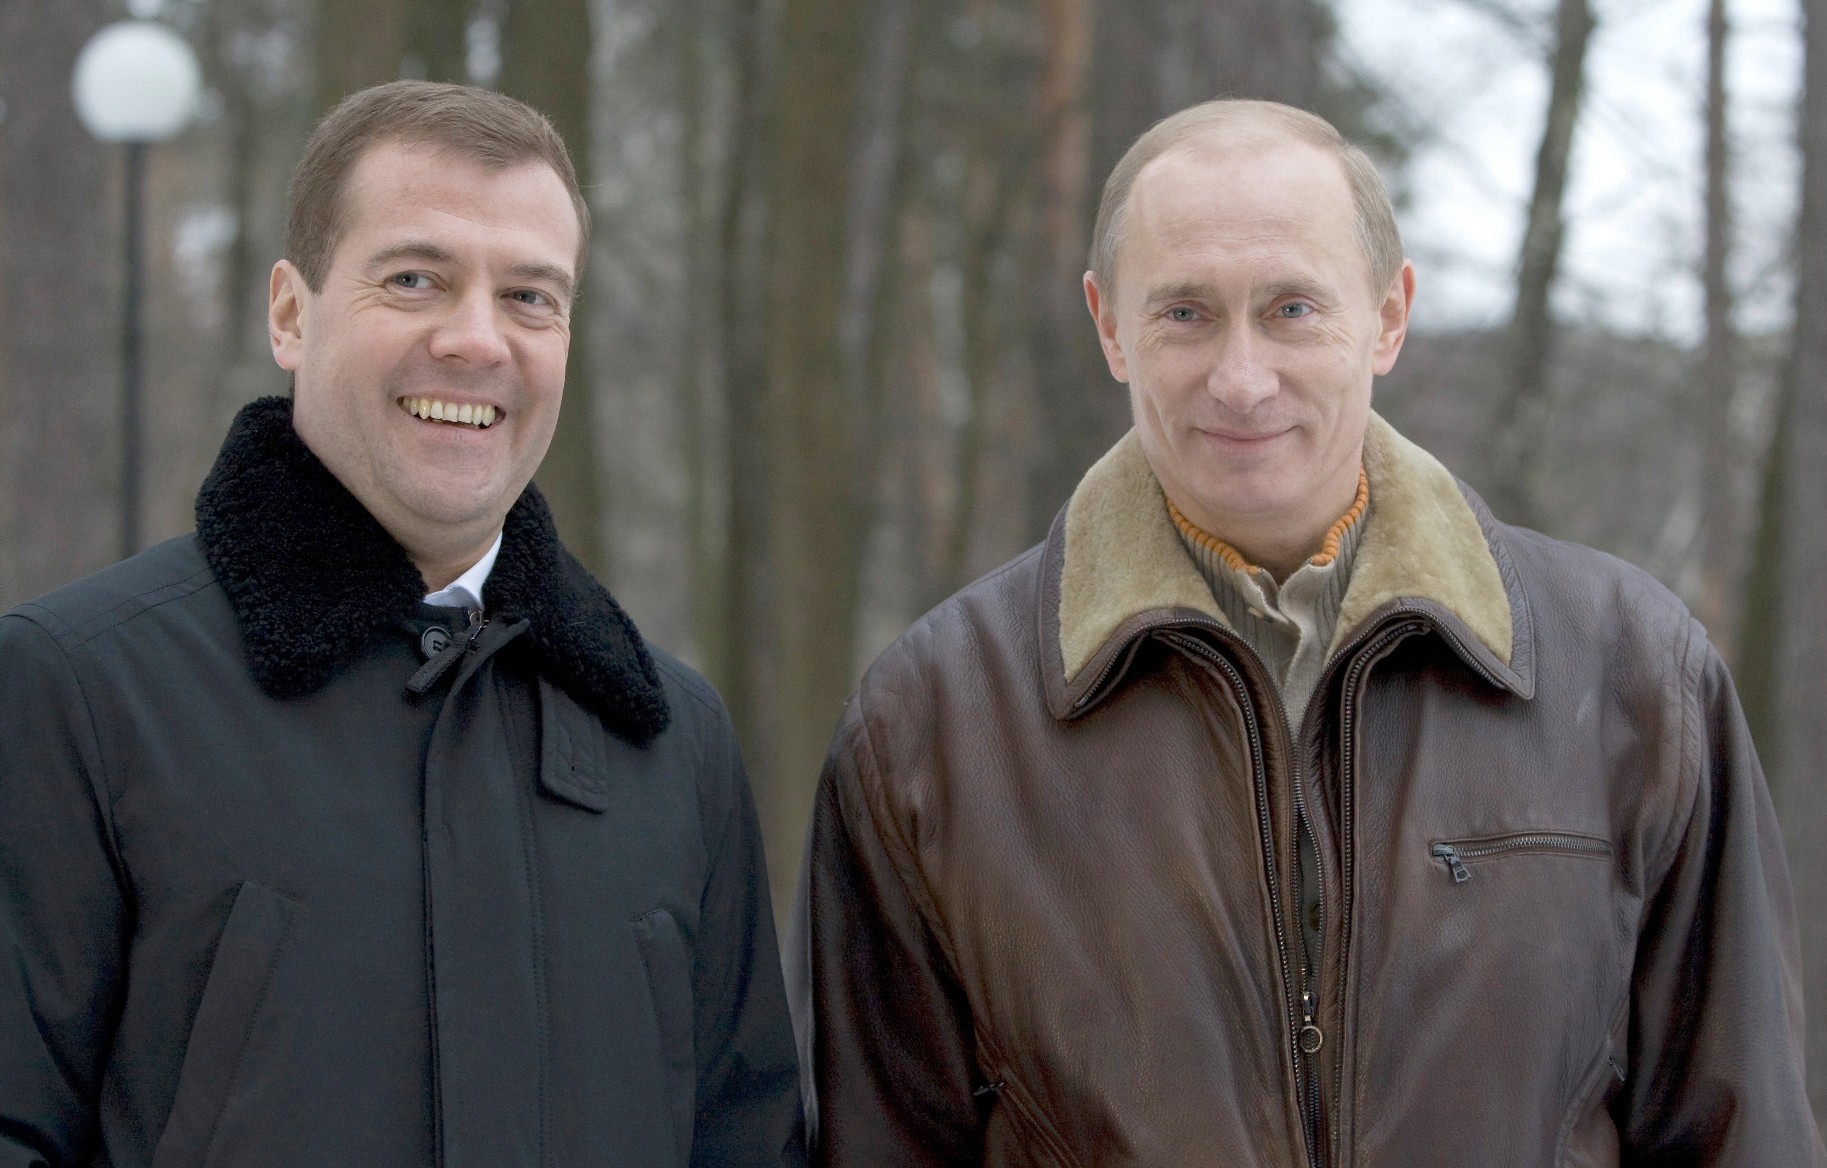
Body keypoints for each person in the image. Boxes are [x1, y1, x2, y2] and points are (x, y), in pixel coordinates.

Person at [793, 99, 1824, 1165]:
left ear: (1388, 315)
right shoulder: (933, 723)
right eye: (1185, 312)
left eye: (1291, 308)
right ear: (1108, 325)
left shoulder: (1632, 675)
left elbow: (1739, 1131)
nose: (1242, 379)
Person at [0, 81, 803, 1167]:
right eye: (416, 279)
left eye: (529, 297)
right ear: (291, 314)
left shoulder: (672, 742)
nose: (477, 340)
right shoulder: (79, 693)